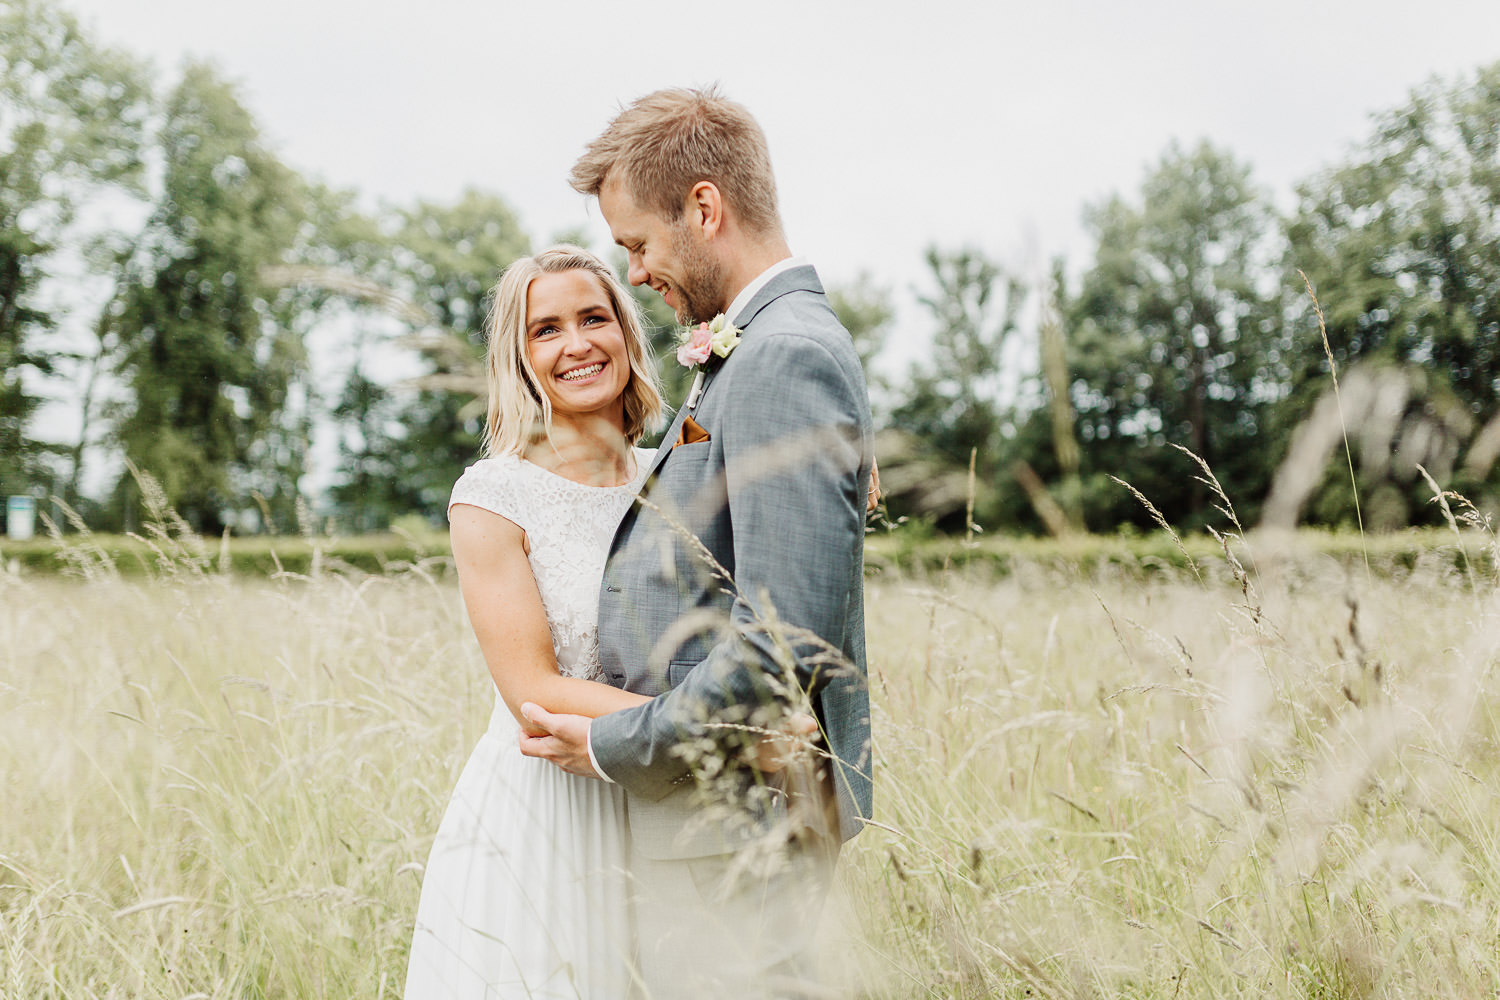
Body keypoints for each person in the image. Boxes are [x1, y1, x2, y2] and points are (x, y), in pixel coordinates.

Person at [519, 86, 876, 998]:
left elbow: (780, 651)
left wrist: (614, 744)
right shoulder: (755, 348)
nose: (634, 273)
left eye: (637, 243)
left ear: (705, 207)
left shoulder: (781, 355)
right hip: (713, 823)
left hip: (741, 826)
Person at [403, 245, 665, 999]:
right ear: (520, 358)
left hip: (662, 799)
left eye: (593, 318)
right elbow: (531, 686)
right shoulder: (493, 494)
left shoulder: (677, 473)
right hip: (546, 806)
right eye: (546, 330)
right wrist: (706, 727)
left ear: (625, 334)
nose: (577, 343)